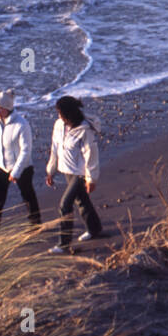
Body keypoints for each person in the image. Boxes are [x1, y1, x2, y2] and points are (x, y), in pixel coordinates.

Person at [45, 95, 103, 254]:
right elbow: (55, 148)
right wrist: (51, 171)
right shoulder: (58, 125)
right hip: (67, 171)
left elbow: (91, 155)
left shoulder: (84, 130)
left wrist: (91, 178)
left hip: (80, 174)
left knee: (65, 205)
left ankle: (64, 244)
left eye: (61, 113)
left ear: (69, 113)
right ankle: (95, 229)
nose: (59, 116)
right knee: (82, 201)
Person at [0, 88, 41, 235]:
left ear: (8, 108)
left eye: (0, 109)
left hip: (22, 168)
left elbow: (26, 151)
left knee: (28, 196)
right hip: (2, 167)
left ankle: (35, 225)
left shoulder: (22, 125)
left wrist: (16, 172)